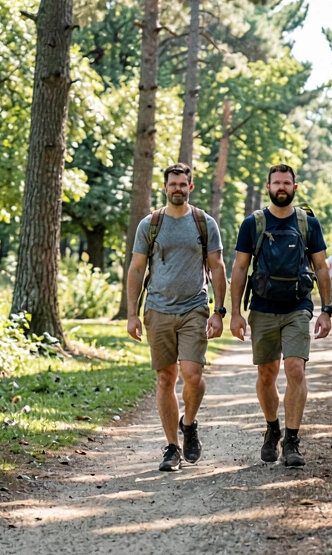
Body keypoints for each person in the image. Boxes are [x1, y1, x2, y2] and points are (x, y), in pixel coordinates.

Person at [125, 163, 228, 472]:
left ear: (190, 187)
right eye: (173, 184)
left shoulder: (204, 223)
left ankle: (189, 423)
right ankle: (172, 448)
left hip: (194, 308)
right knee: (165, 378)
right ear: (165, 187)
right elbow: (136, 269)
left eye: (183, 184)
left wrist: (220, 311)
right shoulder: (150, 224)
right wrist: (132, 314)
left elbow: (218, 266)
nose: (178, 189)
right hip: (157, 310)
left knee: (193, 376)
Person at [228, 164, 332, 468]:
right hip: (262, 307)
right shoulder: (253, 223)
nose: (282, 187)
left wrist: (326, 310)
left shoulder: (308, 223)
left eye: (287, 183)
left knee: (295, 369)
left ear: (295, 188)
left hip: (298, 306)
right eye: (277, 183)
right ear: (268, 187)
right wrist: (235, 313)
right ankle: (273, 428)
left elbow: (321, 266)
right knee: (266, 374)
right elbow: (239, 267)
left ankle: (292, 440)